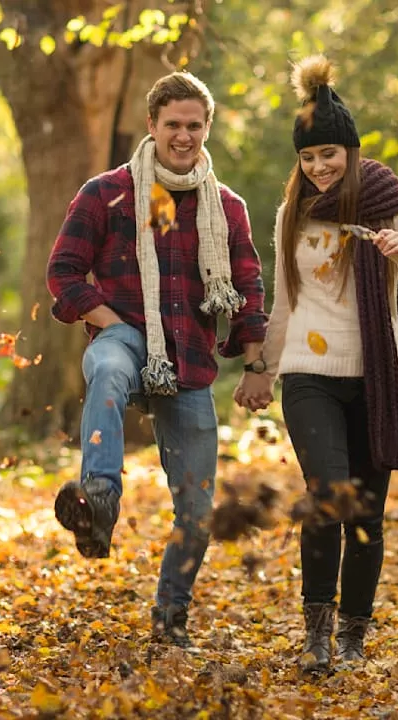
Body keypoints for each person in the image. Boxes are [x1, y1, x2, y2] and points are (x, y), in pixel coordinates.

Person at [45, 71, 271, 648]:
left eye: (194, 125)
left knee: (197, 510)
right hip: (124, 333)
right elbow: (64, 273)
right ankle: (98, 499)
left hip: (190, 360)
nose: (183, 135)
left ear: (207, 128)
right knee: (107, 368)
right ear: (152, 125)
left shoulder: (226, 207)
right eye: (173, 124)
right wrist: (112, 324)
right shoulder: (107, 193)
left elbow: (246, 288)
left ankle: (171, 618)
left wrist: (255, 364)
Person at [241, 55, 398, 673]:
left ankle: (354, 636)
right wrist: (262, 368)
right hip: (309, 373)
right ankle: (317, 636)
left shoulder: (391, 204)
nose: (319, 167)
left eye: (329, 153)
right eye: (308, 157)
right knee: (328, 497)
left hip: (376, 377)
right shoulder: (293, 212)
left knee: (365, 516)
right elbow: (285, 300)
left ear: (351, 151)